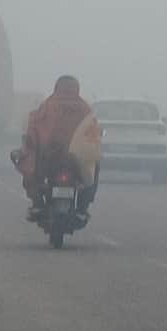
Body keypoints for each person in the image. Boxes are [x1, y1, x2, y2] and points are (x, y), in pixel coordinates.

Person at [11, 75, 101, 221]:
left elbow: (33, 127)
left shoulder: (48, 105)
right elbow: (92, 132)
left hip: (49, 156)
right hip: (76, 158)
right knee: (93, 170)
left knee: (31, 170)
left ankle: (38, 203)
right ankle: (82, 208)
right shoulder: (84, 108)